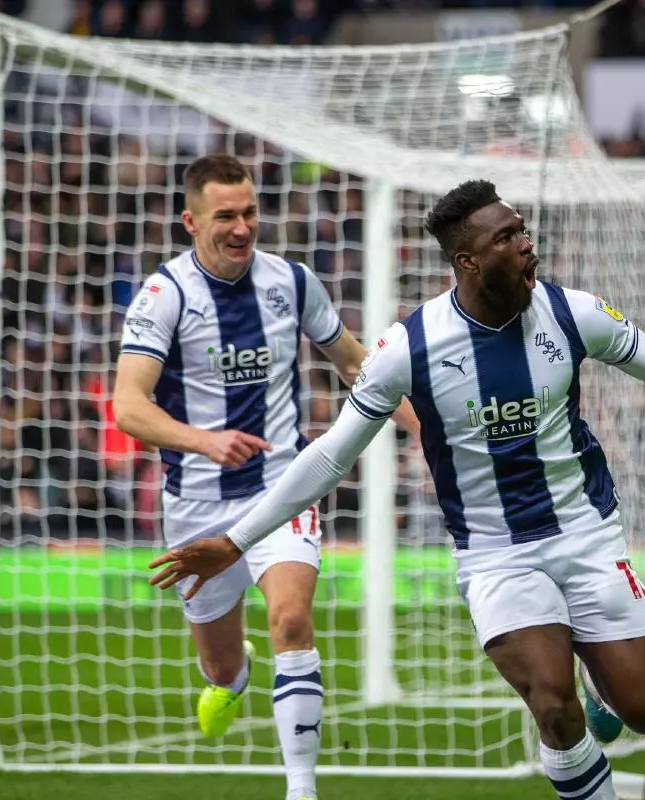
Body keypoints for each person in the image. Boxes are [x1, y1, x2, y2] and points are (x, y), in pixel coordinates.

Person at [146, 179, 645, 800]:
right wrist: (235, 541)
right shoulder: (411, 348)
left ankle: (596, 706)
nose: (527, 244)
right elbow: (332, 455)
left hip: (586, 535)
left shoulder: (572, 313)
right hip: (497, 556)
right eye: (508, 238)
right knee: (553, 706)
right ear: (467, 261)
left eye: (524, 230)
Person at [112, 154, 418, 800]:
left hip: (283, 485)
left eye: (250, 212)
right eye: (226, 215)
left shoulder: (293, 284)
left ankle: (300, 790)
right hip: (197, 503)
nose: (243, 228)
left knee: (291, 620)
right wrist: (204, 440)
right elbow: (129, 406)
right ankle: (232, 678)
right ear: (190, 220)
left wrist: (427, 436)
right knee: (219, 665)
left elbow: (356, 363)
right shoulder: (163, 297)